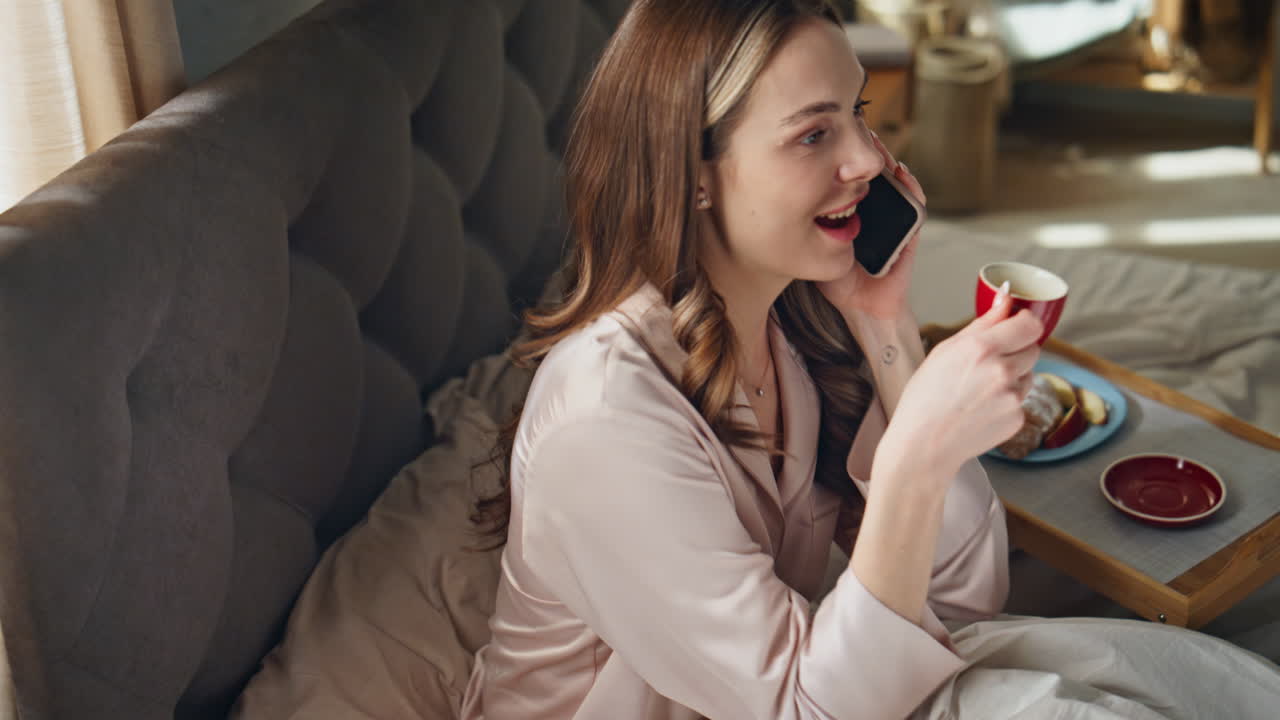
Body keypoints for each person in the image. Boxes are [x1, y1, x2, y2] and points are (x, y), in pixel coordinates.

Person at [461, 1, 1280, 718]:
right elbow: (813, 707)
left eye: (857, 112)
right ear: (694, 177)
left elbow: (961, 603)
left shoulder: (789, 328)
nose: (868, 159)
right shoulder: (606, 421)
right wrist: (916, 456)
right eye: (813, 133)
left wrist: (884, 326)